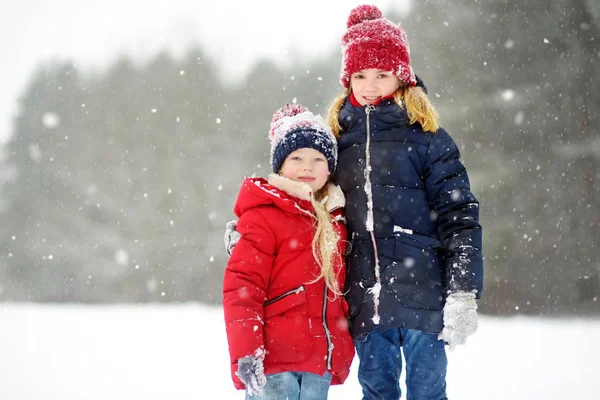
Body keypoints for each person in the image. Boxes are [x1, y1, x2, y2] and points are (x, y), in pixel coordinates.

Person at [326, 5, 484, 400]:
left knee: (427, 393)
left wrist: (462, 291)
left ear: (401, 77)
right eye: (359, 76)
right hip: (364, 300)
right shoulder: (334, 143)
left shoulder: (428, 138)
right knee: (377, 393)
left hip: (424, 297)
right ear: (348, 81)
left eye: (381, 74)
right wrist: (251, 226)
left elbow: (460, 217)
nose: (370, 85)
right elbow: (305, 203)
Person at [222, 104, 355, 399]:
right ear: (280, 165)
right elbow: (243, 287)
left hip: (319, 362)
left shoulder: (336, 219)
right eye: (296, 157)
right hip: (273, 362)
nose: (307, 167)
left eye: (317, 159)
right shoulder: (265, 215)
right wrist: (247, 351)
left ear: (330, 169)